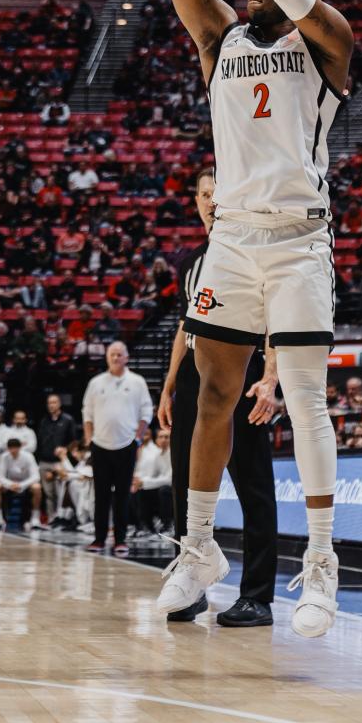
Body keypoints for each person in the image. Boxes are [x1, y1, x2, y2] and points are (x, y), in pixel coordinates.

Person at [90, 0, 353, 637]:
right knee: (215, 395)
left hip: (301, 239)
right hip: (233, 238)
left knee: (305, 398)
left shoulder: (327, 42)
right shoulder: (220, 38)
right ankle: (198, 549)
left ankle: (320, 566)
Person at [159, 167, 278, 626]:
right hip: (193, 373)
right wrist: (169, 385)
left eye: (218, 192)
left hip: (239, 373)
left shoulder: (250, 252)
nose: (211, 199)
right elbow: (185, 326)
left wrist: (270, 378)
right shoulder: (194, 260)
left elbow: (273, 325)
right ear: (195, 202)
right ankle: (190, 584)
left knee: (253, 486)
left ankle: (258, 595)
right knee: (185, 486)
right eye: (204, 193)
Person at [81, 340, 153, 557]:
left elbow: (146, 411)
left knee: (122, 495)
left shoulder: (137, 381)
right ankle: (99, 538)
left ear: (127, 357)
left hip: (126, 446)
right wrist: (88, 439)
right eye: (112, 354)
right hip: (100, 446)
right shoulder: (96, 382)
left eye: (119, 354)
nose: (115, 358)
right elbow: (87, 413)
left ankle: (120, 540)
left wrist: (138, 438)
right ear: (106, 357)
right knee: (101, 495)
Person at [36, 393, 76, 527]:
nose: (51, 405)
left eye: (54, 402)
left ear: (59, 404)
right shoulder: (44, 420)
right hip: (45, 461)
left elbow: (73, 441)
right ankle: (51, 518)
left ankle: (63, 518)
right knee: (48, 493)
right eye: (49, 403)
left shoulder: (67, 420)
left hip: (60, 461)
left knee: (61, 492)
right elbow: (40, 440)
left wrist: (65, 450)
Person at [0, 437, 42, 534]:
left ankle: (35, 519)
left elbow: (36, 476)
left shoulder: (28, 456)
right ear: (8, 448)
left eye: (15, 448)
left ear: (20, 447)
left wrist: (22, 485)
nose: (13, 450)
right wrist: (10, 485)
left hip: (26, 483)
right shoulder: (4, 457)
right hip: (10, 483)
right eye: (11, 448)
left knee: (37, 487)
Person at [132, 427, 173, 535]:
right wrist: (140, 482)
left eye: (167, 437)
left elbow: (170, 479)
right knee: (141, 490)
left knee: (164, 490)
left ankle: (168, 526)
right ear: (156, 440)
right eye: (161, 437)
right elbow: (152, 475)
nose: (164, 440)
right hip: (162, 487)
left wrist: (144, 482)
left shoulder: (173, 454)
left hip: (175, 489)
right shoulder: (158, 455)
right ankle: (146, 526)